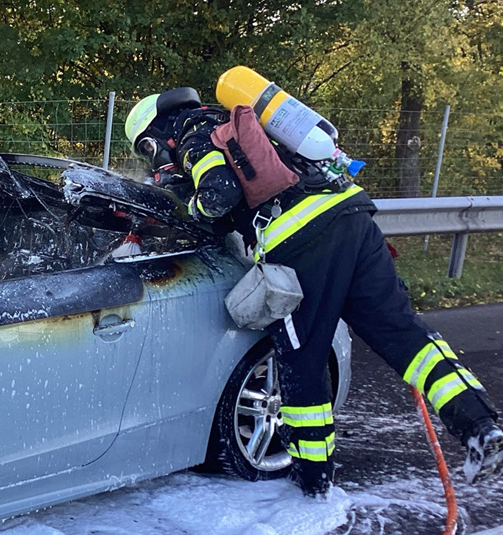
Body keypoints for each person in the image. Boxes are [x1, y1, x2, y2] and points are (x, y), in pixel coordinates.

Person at [124, 88, 503, 495]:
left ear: (154, 134)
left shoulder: (193, 134)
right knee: (402, 334)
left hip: (304, 241)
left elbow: (219, 196)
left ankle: (312, 479)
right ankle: (480, 427)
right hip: (352, 216)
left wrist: (189, 207)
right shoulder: (241, 122)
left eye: (147, 149)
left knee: (302, 357)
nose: (153, 158)